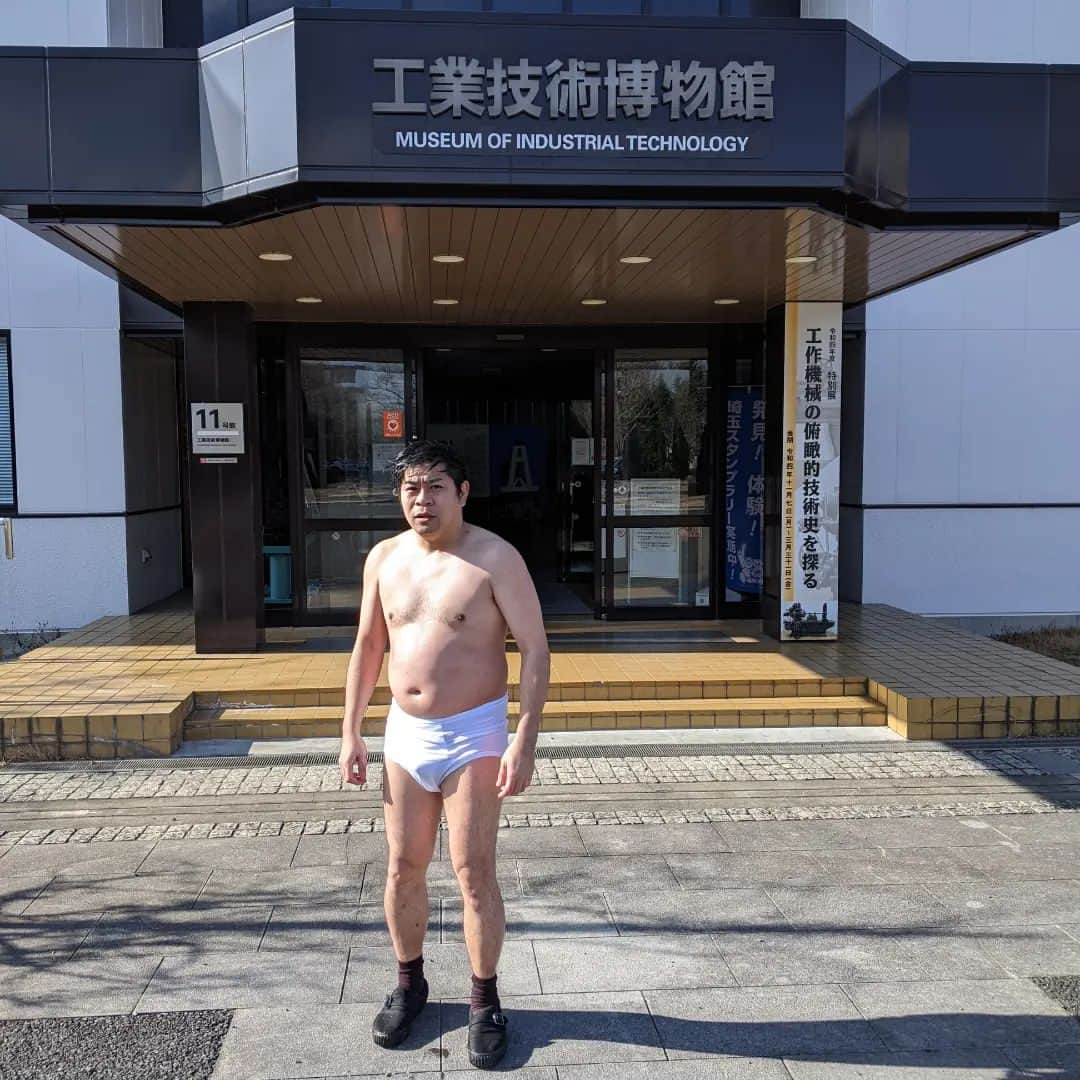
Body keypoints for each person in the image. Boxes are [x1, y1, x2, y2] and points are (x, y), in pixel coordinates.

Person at [338, 438, 550, 1070]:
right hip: (405, 732)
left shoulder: (495, 558)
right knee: (402, 866)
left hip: (474, 732)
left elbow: (535, 650)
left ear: (462, 493)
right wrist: (350, 730)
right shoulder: (384, 558)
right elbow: (368, 646)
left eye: (435, 486)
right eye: (411, 487)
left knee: (473, 870)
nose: (421, 499)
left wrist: (524, 737)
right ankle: (409, 984)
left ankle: (484, 1001)